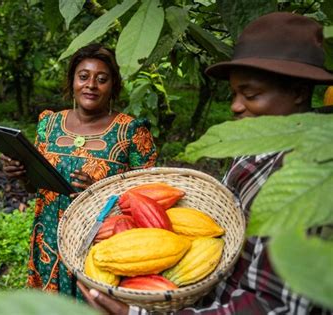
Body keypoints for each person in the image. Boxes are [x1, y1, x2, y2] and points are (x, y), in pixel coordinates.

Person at [79, 12, 333, 314]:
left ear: (299, 93)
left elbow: (272, 305)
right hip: (205, 287)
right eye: (235, 93)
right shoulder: (262, 141)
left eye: (250, 94)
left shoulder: (311, 182)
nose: (236, 106)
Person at [1, 43, 158, 298]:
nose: (91, 85)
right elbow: (36, 187)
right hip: (50, 239)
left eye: (102, 79)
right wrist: (21, 174)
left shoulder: (131, 131)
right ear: (72, 81)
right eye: (83, 76)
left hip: (99, 243)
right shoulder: (49, 124)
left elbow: (147, 198)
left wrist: (99, 193)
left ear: (113, 86)